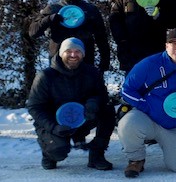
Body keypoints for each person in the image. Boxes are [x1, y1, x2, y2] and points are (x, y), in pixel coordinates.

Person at [117, 29, 176, 178]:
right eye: (174, 43)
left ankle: (173, 148)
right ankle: (136, 159)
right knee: (128, 124)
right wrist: (145, 106)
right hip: (148, 118)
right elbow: (127, 90)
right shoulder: (149, 64)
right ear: (166, 46)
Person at [26, 38, 114, 171]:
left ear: (83, 54)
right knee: (58, 152)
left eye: (77, 51)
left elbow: (101, 95)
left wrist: (93, 102)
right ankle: (48, 153)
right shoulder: (45, 76)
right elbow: (35, 107)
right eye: (69, 51)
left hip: (82, 117)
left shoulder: (92, 73)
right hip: (55, 123)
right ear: (61, 53)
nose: (73, 55)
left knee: (107, 110)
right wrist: (53, 127)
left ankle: (97, 155)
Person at [29, 0, 110, 72]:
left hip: (85, 62)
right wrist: (49, 19)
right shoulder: (53, 9)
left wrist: (105, 61)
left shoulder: (90, 10)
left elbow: (101, 37)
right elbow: (33, 32)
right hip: (58, 62)